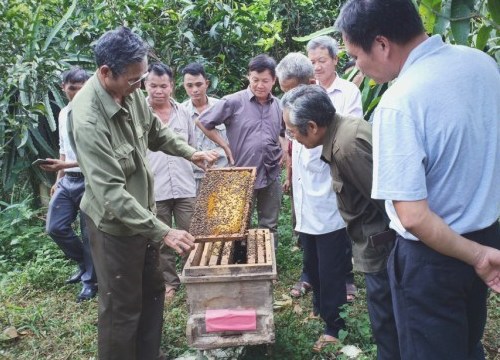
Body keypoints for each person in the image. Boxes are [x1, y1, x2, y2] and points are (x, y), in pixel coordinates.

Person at [335, 1, 500, 359]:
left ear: (381, 44)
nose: (356, 66)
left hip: (434, 258)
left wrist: (478, 256)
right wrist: (482, 250)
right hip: (486, 235)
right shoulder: (483, 65)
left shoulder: (399, 101)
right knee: (467, 343)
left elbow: (412, 215)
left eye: (355, 55)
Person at [68, 27, 218, 360]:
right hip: (115, 228)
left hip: (145, 218)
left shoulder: (130, 90)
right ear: (106, 72)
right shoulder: (88, 118)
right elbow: (110, 193)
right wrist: (164, 231)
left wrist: (189, 152)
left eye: (143, 79)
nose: (141, 87)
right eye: (135, 81)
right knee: (122, 306)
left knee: (151, 294)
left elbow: (154, 132)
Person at [281, 84, 400, 359]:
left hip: (380, 242)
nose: (292, 137)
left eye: (292, 131)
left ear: (312, 126)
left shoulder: (346, 148)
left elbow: (388, 202)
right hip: (373, 238)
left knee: (385, 316)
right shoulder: (341, 133)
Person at [276, 52, 350, 352]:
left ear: (309, 82)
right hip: (305, 205)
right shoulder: (292, 110)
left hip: (328, 208)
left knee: (331, 269)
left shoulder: (326, 112)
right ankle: (320, 308)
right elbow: (294, 148)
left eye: (292, 90)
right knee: (312, 263)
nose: (288, 97)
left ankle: (335, 326)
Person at [197, 54, 285, 247]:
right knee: (238, 224)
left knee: (269, 224)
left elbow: (283, 132)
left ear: (274, 81)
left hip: (271, 173)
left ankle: (268, 269)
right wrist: (224, 145)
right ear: (249, 77)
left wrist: (285, 151)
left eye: (265, 81)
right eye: (255, 80)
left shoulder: (278, 105)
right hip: (241, 174)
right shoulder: (233, 101)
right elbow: (203, 122)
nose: (260, 85)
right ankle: (240, 265)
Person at [307, 35, 362, 301]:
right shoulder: (308, 91)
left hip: (340, 164)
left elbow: (350, 129)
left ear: (335, 60)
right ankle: (321, 279)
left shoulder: (348, 91)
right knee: (322, 229)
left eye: (322, 60)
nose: (317, 67)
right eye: (313, 62)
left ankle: (346, 278)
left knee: (344, 221)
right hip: (313, 172)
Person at [39, 67, 97, 303]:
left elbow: (96, 156)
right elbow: (63, 149)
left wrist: (64, 167)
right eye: (72, 88)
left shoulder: (94, 112)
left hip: (89, 179)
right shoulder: (63, 113)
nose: (77, 93)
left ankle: (91, 282)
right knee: (55, 227)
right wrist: (58, 179)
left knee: (88, 233)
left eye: (82, 88)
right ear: (64, 88)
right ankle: (84, 262)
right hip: (67, 179)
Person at [145, 62, 197, 300]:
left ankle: (193, 278)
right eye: (153, 85)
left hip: (185, 186)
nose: (158, 91)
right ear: (145, 85)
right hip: (156, 189)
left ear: (171, 86)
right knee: (163, 239)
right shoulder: (140, 114)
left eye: (163, 86)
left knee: (190, 235)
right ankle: (169, 283)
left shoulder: (184, 112)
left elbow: (191, 148)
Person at [181, 62, 228, 193]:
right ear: (184, 86)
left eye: (198, 84)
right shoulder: (180, 112)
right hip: (192, 178)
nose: (194, 90)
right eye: (189, 86)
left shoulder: (222, 107)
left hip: (222, 174)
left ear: (206, 83)